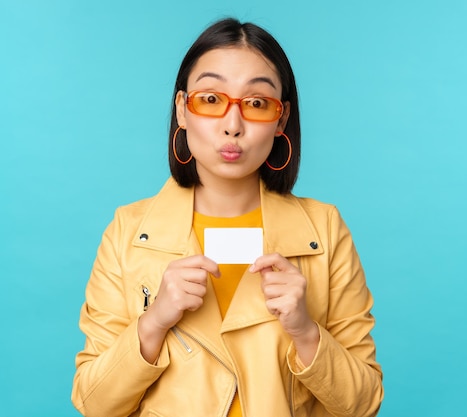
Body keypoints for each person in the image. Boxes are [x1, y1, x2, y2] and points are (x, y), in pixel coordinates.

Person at [72, 17, 383, 417]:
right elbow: (93, 403)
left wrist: (306, 332)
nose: (232, 126)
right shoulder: (128, 232)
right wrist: (153, 323)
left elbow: (364, 404)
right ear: (183, 110)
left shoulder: (323, 229)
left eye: (256, 103)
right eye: (211, 99)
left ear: (281, 119)